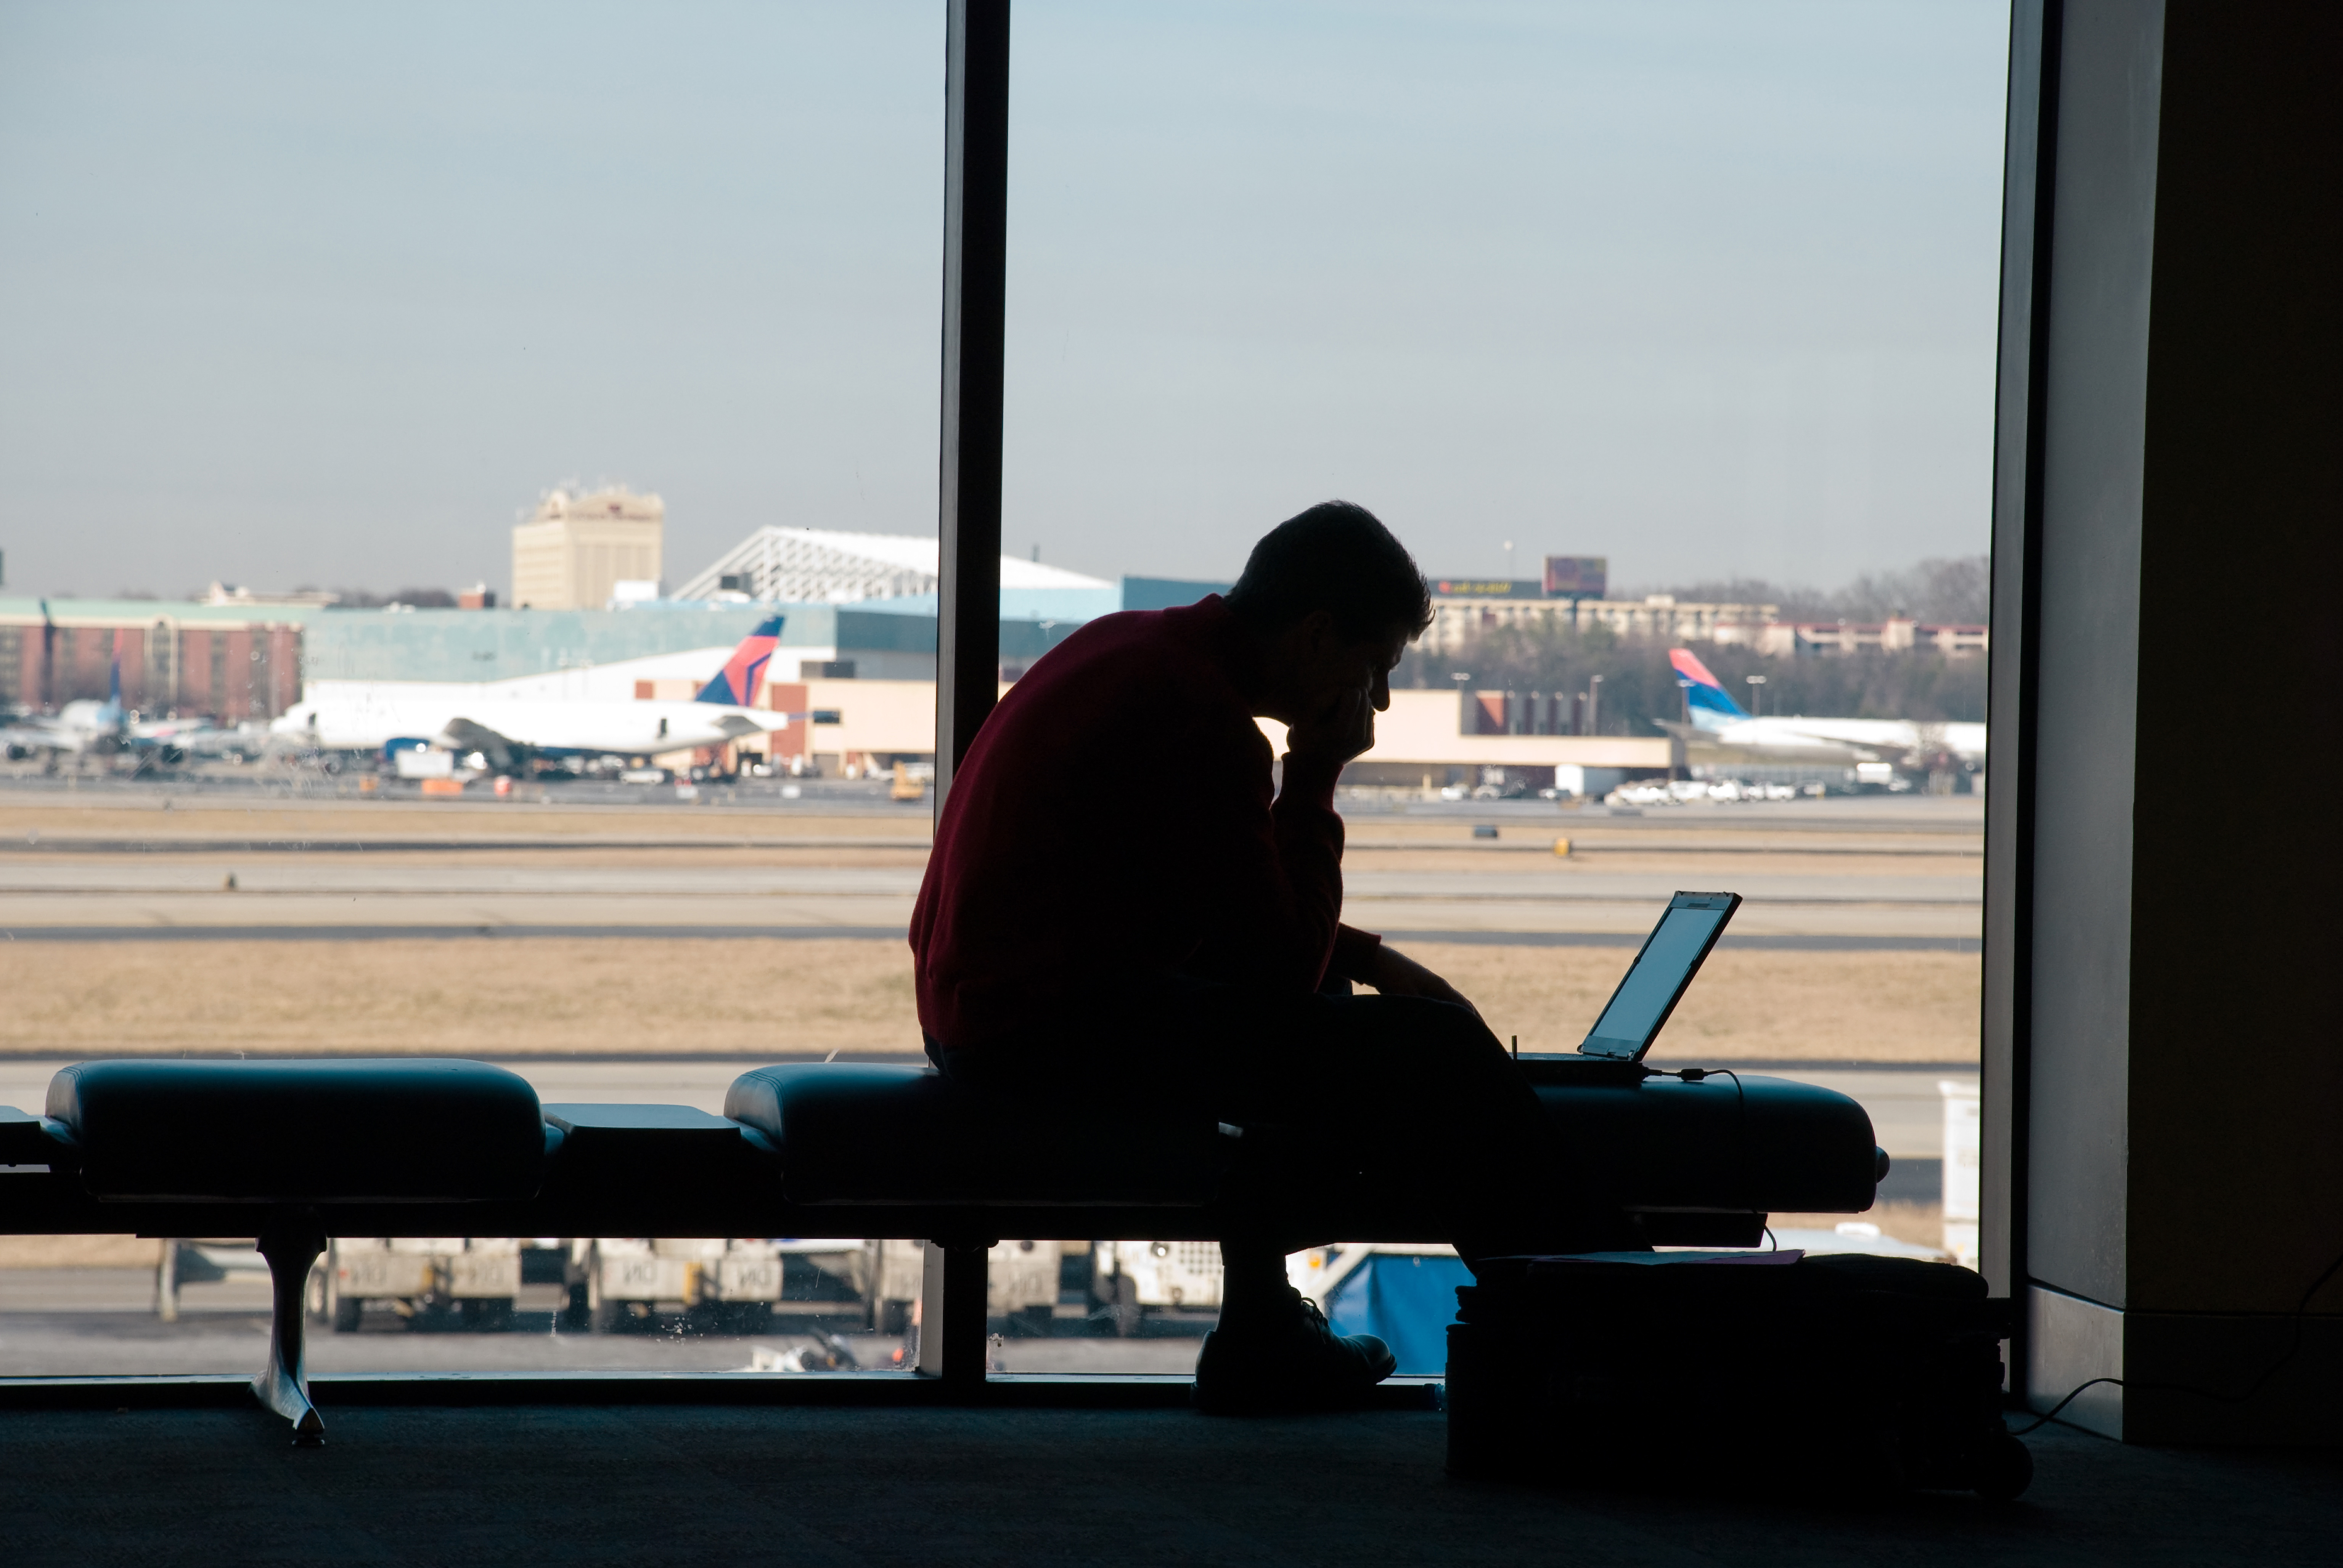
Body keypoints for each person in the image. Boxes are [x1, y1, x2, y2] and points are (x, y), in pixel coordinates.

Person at [910, 501, 1611, 1412]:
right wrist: (1317, 773)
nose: (1382, 699)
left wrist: (1367, 959)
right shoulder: (1198, 717)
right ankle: (1594, 1335)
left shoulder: (1135, 652)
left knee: (1331, 1014)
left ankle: (1265, 1330)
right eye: (1378, 666)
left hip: (1000, 1011)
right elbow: (1274, 966)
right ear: (1319, 636)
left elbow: (1214, 902)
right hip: (1034, 1033)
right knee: (1433, 1054)